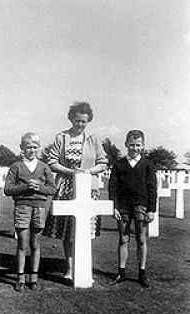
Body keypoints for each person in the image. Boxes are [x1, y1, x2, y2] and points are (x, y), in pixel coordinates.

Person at [43, 102, 108, 279]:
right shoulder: (61, 137)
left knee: (86, 229)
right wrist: (71, 172)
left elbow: (103, 163)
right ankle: (70, 268)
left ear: (88, 121)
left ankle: (84, 266)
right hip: (66, 187)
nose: (80, 124)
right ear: (71, 118)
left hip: (88, 187)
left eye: (84, 122)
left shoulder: (93, 139)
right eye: (77, 120)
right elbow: (52, 161)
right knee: (68, 229)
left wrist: (87, 172)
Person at [4, 132, 56, 292]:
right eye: (28, 147)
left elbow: (52, 188)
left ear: (39, 148)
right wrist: (26, 187)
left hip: (39, 208)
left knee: (35, 243)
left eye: (34, 147)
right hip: (22, 207)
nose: (31, 150)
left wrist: (39, 187)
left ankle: (33, 277)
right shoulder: (16, 166)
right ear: (22, 148)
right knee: (22, 243)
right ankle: (20, 277)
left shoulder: (44, 167)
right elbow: (7, 189)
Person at [109, 129, 157, 288]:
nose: (134, 148)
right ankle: (121, 272)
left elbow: (152, 188)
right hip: (123, 206)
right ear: (126, 144)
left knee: (141, 239)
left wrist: (151, 210)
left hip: (141, 206)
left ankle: (142, 273)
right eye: (131, 145)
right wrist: (114, 206)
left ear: (142, 146)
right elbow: (113, 187)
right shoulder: (119, 164)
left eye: (138, 145)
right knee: (123, 238)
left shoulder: (148, 164)